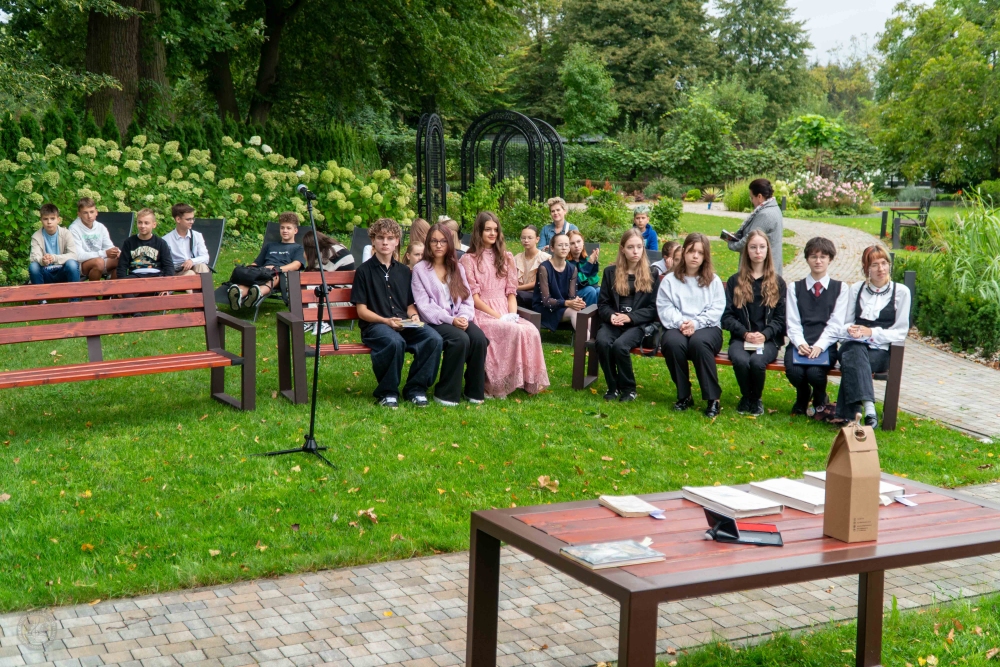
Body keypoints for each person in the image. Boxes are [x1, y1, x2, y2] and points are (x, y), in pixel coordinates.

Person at [352, 218, 443, 408]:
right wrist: (386, 321)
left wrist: (414, 316)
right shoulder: (363, 271)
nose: (385, 242)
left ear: (397, 242)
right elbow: (361, 311)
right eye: (380, 238)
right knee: (395, 342)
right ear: (373, 241)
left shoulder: (403, 271)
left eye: (390, 238)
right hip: (375, 326)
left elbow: (409, 305)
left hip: (403, 323)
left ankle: (416, 389)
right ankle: (388, 392)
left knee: (433, 338)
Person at [460, 211, 549, 397]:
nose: (492, 233)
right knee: (510, 330)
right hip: (482, 312)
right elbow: (474, 299)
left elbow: (511, 293)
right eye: (488, 230)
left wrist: (512, 315)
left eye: (495, 229)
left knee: (530, 330)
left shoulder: (506, 257)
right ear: (479, 231)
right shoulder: (469, 259)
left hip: (506, 309)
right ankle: (495, 384)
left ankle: (526, 381)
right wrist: (499, 317)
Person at [411, 223, 488, 406]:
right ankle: (446, 393)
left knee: (478, 338)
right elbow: (424, 306)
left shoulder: (457, 268)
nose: (438, 245)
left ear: (449, 244)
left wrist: (464, 317)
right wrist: (451, 320)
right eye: (434, 241)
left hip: (459, 318)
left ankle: (474, 391)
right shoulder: (420, 269)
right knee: (459, 339)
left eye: (443, 241)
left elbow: (467, 299)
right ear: (428, 243)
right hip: (435, 321)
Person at [835, 245, 911, 429]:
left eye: (884, 263)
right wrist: (851, 330)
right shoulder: (856, 289)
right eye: (875, 265)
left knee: (854, 360)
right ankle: (870, 410)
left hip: (880, 352)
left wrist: (871, 332)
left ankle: (849, 416)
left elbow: (901, 331)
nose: (880, 269)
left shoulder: (901, 292)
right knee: (854, 350)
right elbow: (844, 324)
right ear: (866, 268)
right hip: (852, 345)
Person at [657, 232, 726, 417]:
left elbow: (716, 309)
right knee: (672, 343)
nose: (695, 256)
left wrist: (695, 323)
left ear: (705, 256)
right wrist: (682, 323)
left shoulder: (713, 281)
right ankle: (684, 395)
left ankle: (713, 399)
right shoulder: (670, 280)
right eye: (691, 251)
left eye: (700, 253)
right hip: (677, 326)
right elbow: (665, 307)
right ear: (684, 251)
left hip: (708, 327)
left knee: (699, 343)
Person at [721, 230, 787, 416]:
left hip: (767, 340)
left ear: (767, 250)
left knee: (757, 362)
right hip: (741, 337)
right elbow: (727, 317)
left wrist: (764, 335)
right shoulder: (735, 281)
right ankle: (746, 396)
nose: (758, 251)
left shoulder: (777, 282)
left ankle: (756, 398)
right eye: (753, 247)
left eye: (762, 247)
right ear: (747, 251)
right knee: (741, 360)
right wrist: (745, 333)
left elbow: (780, 318)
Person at [784, 237, 850, 416]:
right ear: (807, 259)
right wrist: (800, 343)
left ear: (830, 259)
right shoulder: (795, 288)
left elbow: (836, 323)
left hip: (826, 345)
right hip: (800, 343)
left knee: (815, 373)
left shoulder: (840, 288)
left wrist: (820, 346)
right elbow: (792, 321)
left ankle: (820, 396)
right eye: (813, 256)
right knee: (795, 372)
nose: (818, 261)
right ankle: (803, 395)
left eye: (823, 257)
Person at [595, 229, 660, 402]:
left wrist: (630, 317)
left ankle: (629, 389)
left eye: (639, 247)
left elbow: (653, 308)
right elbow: (603, 303)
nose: (635, 251)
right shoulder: (610, 272)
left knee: (620, 346)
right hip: (614, 321)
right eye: (630, 247)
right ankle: (613, 386)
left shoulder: (652, 274)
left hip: (637, 324)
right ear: (622, 249)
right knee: (602, 342)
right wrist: (611, 316)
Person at [225, 212, 304, 310]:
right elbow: (257, 263)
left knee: (273, 277)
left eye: (288, 228)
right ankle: (238, 294)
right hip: (263, 271)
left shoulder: (298, 248)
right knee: (250, 278)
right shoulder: (270, 246)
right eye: (282, 228)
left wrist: (277, 269)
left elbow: (296, 265)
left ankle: (258, 293)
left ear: (295, 230)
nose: (285, 231)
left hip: (282, 274)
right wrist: (249, 272)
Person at [726, 178, 784, 276]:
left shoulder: (765, 214)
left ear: (759, 197)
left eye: (752, 197)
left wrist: (731, 242)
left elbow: (749, 241)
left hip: (762, 272)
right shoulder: (774, 208)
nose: (752, 201)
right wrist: (737, 236)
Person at [534, 233, 585, 331]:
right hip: (545, 309)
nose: (564, 248)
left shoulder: (572, 269)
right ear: (552, 248)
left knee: (582, 313)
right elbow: (546, 301)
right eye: (560, 245)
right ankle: (585, 340)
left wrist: (576, 301)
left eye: (566, 245)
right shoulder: (544, 268)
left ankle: (591, 339)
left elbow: (572, 297)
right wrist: (567, 303)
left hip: (563, 306)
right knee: (575, 312)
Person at [29, 203, 80, 286]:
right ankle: (41, 294)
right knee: (34, 266)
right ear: (41, 220)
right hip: (45, 272)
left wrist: (54, 258)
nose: (49, 222)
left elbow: (73, 255)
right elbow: (34, 257)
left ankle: (74, 294)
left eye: (52, 218)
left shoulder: (66, 233)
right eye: (45, 219)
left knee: (72, 264)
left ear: (58, 220)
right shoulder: (36, 236)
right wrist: (42, 260)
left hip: (62, 271)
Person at [69, 197, 119, 281]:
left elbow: (109, 246)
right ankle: (93, 290)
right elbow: (79, 256)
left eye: (92, 212)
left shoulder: (100, 227)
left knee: (121, 260)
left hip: (101, 260)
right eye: (85, 213)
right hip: (82, 264)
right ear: (79, 214)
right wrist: (104, 253)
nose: (89, 216)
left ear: (96, 212)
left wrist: (118, 252)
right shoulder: (74, 229)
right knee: (99, 263)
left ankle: (111, 289)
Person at [117, 208, 174, 279]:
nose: (142, 226)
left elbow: (168, 266)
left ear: (154, 225)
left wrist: (167, 283)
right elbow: (122, 266)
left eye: (146, 223)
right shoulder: (129, 242)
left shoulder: (161, 243)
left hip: (156, 276)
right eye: (140, 222)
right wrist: (123, 282)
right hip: (135, 277)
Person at [164, 203, 210, 275]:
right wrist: (182, 265)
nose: (192, 222)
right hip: (177, 272)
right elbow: (166, 264)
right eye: (188, 219)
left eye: (193, 219)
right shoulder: (166, 240)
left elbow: (205, 257)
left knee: (202, 266)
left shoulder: (197, 236)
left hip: (194, 266)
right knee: (190, 273)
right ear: (178, 219)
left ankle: (205, 283)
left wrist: (191, 261)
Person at [513, 225, 550, 309]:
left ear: (537, 239)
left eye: (530, 238)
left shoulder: (545, 258)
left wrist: (517, 288)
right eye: (523, 238)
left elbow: (539, 282)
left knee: (518, 295)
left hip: (537, 295)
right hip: (519, 292)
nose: (526, 240)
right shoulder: (517, 258)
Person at [566, 230, 600, 307]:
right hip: (571, 293)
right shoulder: (566, 263)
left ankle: (600, 314)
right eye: (572, 243)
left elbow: (594, 280)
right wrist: (589, 264)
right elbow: (577, 282)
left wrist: (594, 263)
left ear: (583, 242)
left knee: (599, 291)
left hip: (588, 288)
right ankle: (588, 314)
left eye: (578, 241)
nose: (576, 245)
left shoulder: (586, 259)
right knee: (590, 291)